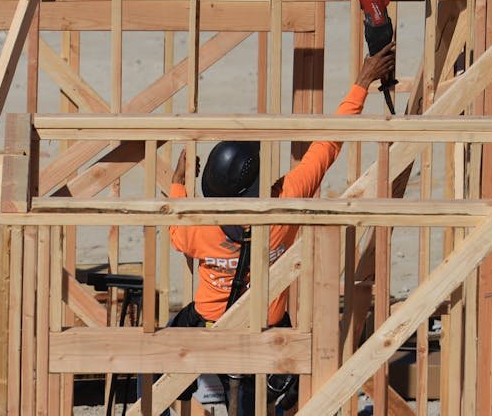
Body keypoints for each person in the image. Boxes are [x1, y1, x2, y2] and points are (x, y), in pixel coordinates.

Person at [164, 44, 396, 410]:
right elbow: (328, 145)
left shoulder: (198, 224)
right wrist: (362, 82)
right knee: (260, 396)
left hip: (211, 326)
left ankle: (187, 388)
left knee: (169, 338)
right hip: (268, 328)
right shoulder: (284, 204)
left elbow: (175, 228)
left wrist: (177, 184)